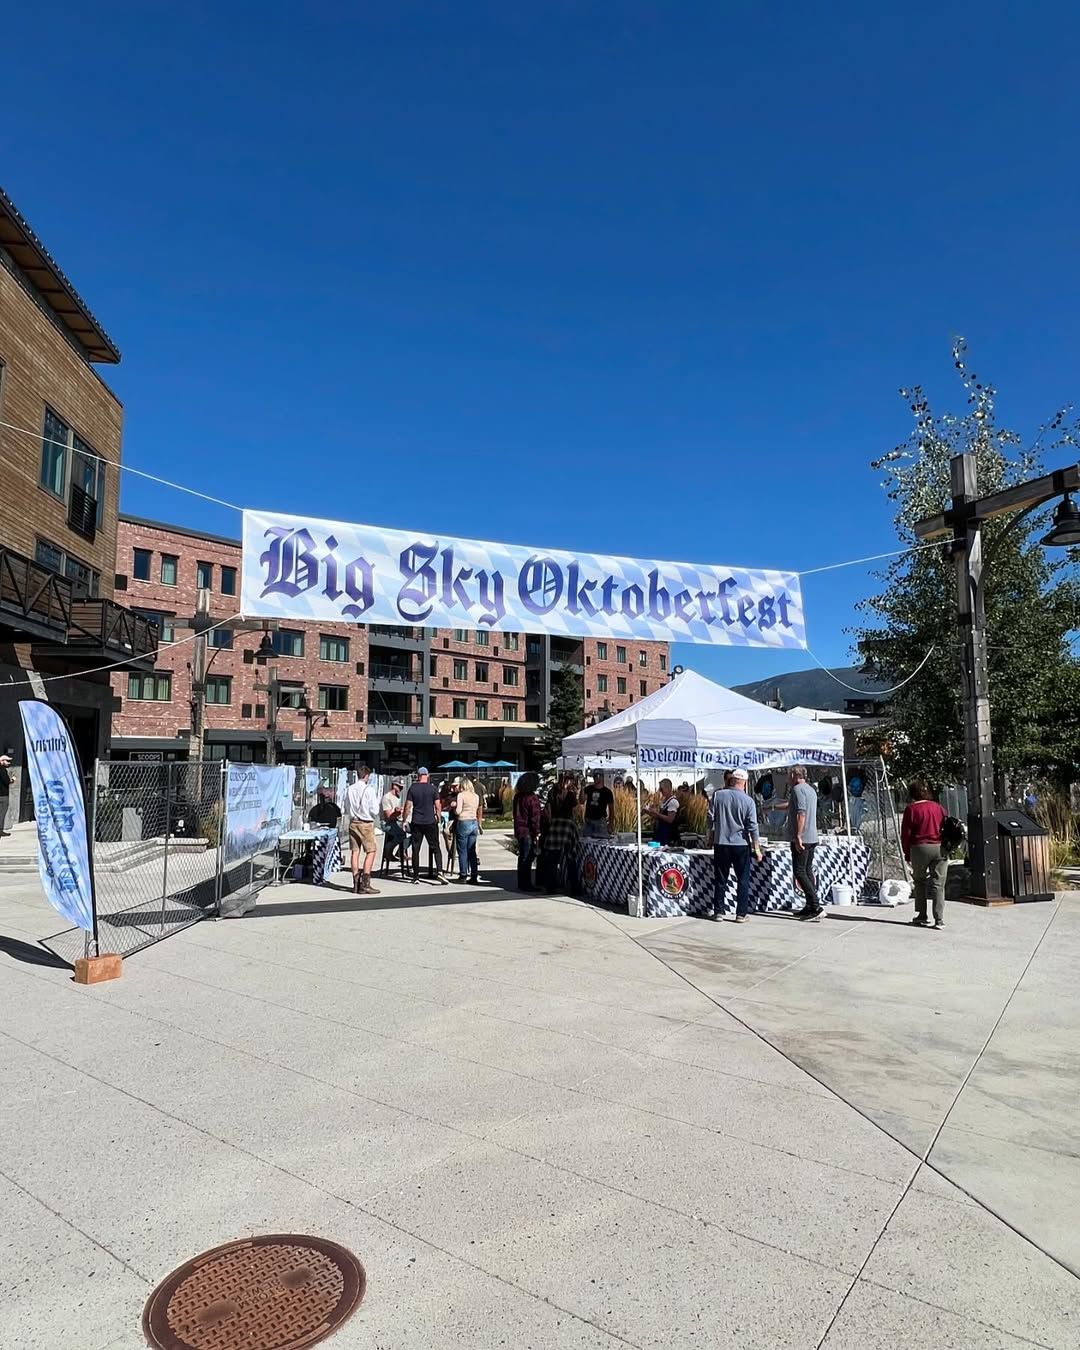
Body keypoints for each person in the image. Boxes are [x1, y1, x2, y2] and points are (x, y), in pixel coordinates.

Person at [707, 768, 763, 921]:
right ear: (743, 782)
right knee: (743, 879)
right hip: (741, 844)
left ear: (731, 780)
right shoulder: (748, 801)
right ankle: (741, 914)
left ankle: (718, 911)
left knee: (720, 879)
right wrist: (756, 849)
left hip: (721, 842)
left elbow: (710, 818)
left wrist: (710, 837)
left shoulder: (718, 795)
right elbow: (753, 826)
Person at [902, 780, 948, 929]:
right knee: (938, 884)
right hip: (939, 847)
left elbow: (906, 834)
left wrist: (907, 853)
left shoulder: (911, 810)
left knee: (920, 881)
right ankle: (939, 919)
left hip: (919, 847)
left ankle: (922, 915)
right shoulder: (938, 808)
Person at [785, 767, 821, 920]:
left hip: (803, 838)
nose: (788, 778)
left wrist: (798, 835)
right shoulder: (811, 789)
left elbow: (801, 812)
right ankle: (809, 905)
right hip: (812, 836)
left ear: (794, 775)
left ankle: (815, 906)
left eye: (789, 775)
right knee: (806, 871)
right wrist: (772, 807)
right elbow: (793, 807)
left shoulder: (797, 790)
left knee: (799, 871)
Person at [403, 766, 446, 884]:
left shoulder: (413, 788)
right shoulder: (432, 789)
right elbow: (438, 805)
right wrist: (438, 816)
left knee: (416, 848)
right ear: (427, 776)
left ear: (418, 776)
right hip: (430, 821)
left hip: (417, 821)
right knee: (435, 847)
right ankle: (440, 872)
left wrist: (404, 819)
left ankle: (416, 876)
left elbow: (408, 806)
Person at [345, 764, 381, 895]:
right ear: (366, 776)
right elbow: (375, 810)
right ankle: (365, 882)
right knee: (371, 851)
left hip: (353, 822)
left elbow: (346, 807)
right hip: (365, 823)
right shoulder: (369, 790)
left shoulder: (350, 789)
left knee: (355, 852)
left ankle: (355, 881)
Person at [539, 787, 580, 893]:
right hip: (567, 825)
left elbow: (548, 814)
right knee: (571, 858)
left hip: (554, 825)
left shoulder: (552, 794)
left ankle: (550, 886)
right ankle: (575, 887)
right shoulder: (570, 795)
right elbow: (576, 811)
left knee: (552, 859)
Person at [513, 772, 542, 891]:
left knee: (522, 857)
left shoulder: (517, 797)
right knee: (527, 858)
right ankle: (527, 884)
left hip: (519, 830)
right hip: (528, 830)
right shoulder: (532, 798)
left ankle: (522, 882)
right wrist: (537, 832)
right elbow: (535, 817)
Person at [454, 776, 484, 884]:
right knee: (472, 851)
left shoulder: (461, 795)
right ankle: (474, 875)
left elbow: (458, 811)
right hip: (473, 822)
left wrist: (454, 808)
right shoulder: (476, 796)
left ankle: (463, 875)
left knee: (462, 851)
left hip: (463, 821)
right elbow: (477, 808)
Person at [379, 779, 410, 875]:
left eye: (402, 787)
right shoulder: (386, 798)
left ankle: (400, 851)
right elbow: (388, 816)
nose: (401, 789)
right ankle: (388, 851)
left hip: (396, 821)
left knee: (416, 832)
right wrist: (396, 812)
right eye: (399, 787)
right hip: (387, 823)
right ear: (394, 786)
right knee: (401, 834)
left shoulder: (397, 797)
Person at [645, 778, 680, 845]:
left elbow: (670, 819)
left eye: (661, 789)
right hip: (660, 834)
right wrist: (649, 812)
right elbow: (659, 817)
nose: (660, 791)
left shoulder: (673, 802)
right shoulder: (664, 801)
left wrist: (656, 813)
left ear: (668, 788)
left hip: (668, 836)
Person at [580, 770, 614, 838]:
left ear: (602, 777)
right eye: (595, 776)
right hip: (589, 821)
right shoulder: (589, 789)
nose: (597, 778)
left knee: (602, 842)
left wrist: (610, 824)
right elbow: (582, 801)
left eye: (599, 776)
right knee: (587, 842)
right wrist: (582, 787)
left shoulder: (607, 792)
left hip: (601, 821)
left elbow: (611, 809)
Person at [0, 751, 12, 837]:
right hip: (3, 795)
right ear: (2, 761)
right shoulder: (2, 770)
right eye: (7, 761)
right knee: (2, 814)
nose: (8, 763)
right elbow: (6, 781)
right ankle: (0, 830)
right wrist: (12, 780)